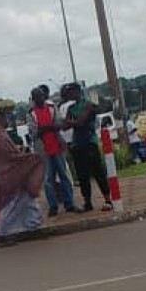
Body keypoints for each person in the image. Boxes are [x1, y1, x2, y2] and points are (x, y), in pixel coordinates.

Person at [0, 101, 45, 246]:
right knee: (13, 205)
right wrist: (23, 156)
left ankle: (33, 225)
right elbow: (7, 157)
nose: (7, 120)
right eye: (5, 117)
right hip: (9, 174)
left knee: (26, 201)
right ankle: (4, 233)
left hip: (5, 173)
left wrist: (18, 151)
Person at [24, 85, 77, 217]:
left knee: (63, 175)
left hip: (57, 146)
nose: (40, 99)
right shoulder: (31, 113)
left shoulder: (52, 108)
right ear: (34, 99)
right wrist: (50, 127)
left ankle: (69, 203)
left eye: (41, 96)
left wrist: (45, 128)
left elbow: (59, 124)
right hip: (43, 150)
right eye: (37, 97)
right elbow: (34, 132)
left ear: (44, 97)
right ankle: (53, 206)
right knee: (48, 180)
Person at [59, 83, 112, 213]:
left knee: (98, 172)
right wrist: (73, 122)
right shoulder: (72, 107)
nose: (70, 95)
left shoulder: (88, 104)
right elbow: (65, 125)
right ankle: (87, 202)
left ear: (77, 91)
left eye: (71, 92)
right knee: (82, 175)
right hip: (77, 143)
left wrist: (71, 122)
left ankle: (107, 199)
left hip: (89, 142)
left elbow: (80, 122)